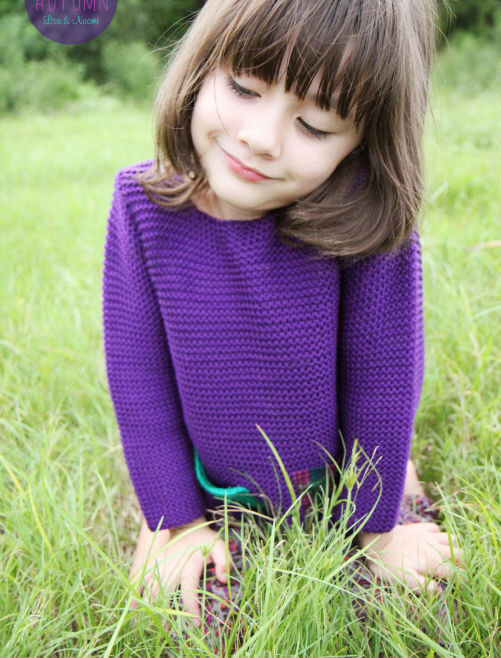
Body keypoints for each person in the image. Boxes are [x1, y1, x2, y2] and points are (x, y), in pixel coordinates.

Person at [102, 0, 462, 648]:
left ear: (363, 141)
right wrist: (174, 522)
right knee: (205, 624)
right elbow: (138, 380)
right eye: (242, 88)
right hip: (221, 496)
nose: (260, 138)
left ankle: (395, 484)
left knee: (405, 616)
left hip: (338, 478)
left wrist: (378, 528)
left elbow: (382, 381)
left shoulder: (364, 225)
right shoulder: (142, 206)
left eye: (316, 125)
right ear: (201, 67)